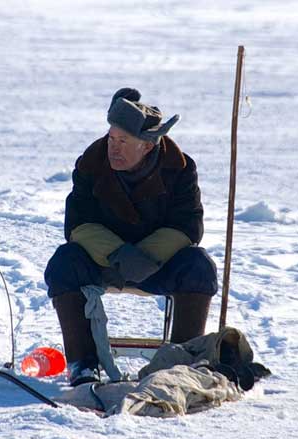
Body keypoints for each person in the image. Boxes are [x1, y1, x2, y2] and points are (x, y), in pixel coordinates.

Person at [44, 88, 218, 386]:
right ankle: (83, 365)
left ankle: (180, 365)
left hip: (157, 265)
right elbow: (77, 223)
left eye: (123, 141)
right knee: (63, 263)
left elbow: (189, 225)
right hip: (105, 263)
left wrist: (147, 256)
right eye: (111, 138)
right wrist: (118, 254)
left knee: (199, 266)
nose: (114, 147)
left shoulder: (180, 168)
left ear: (148, 146)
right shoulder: (91, 163)